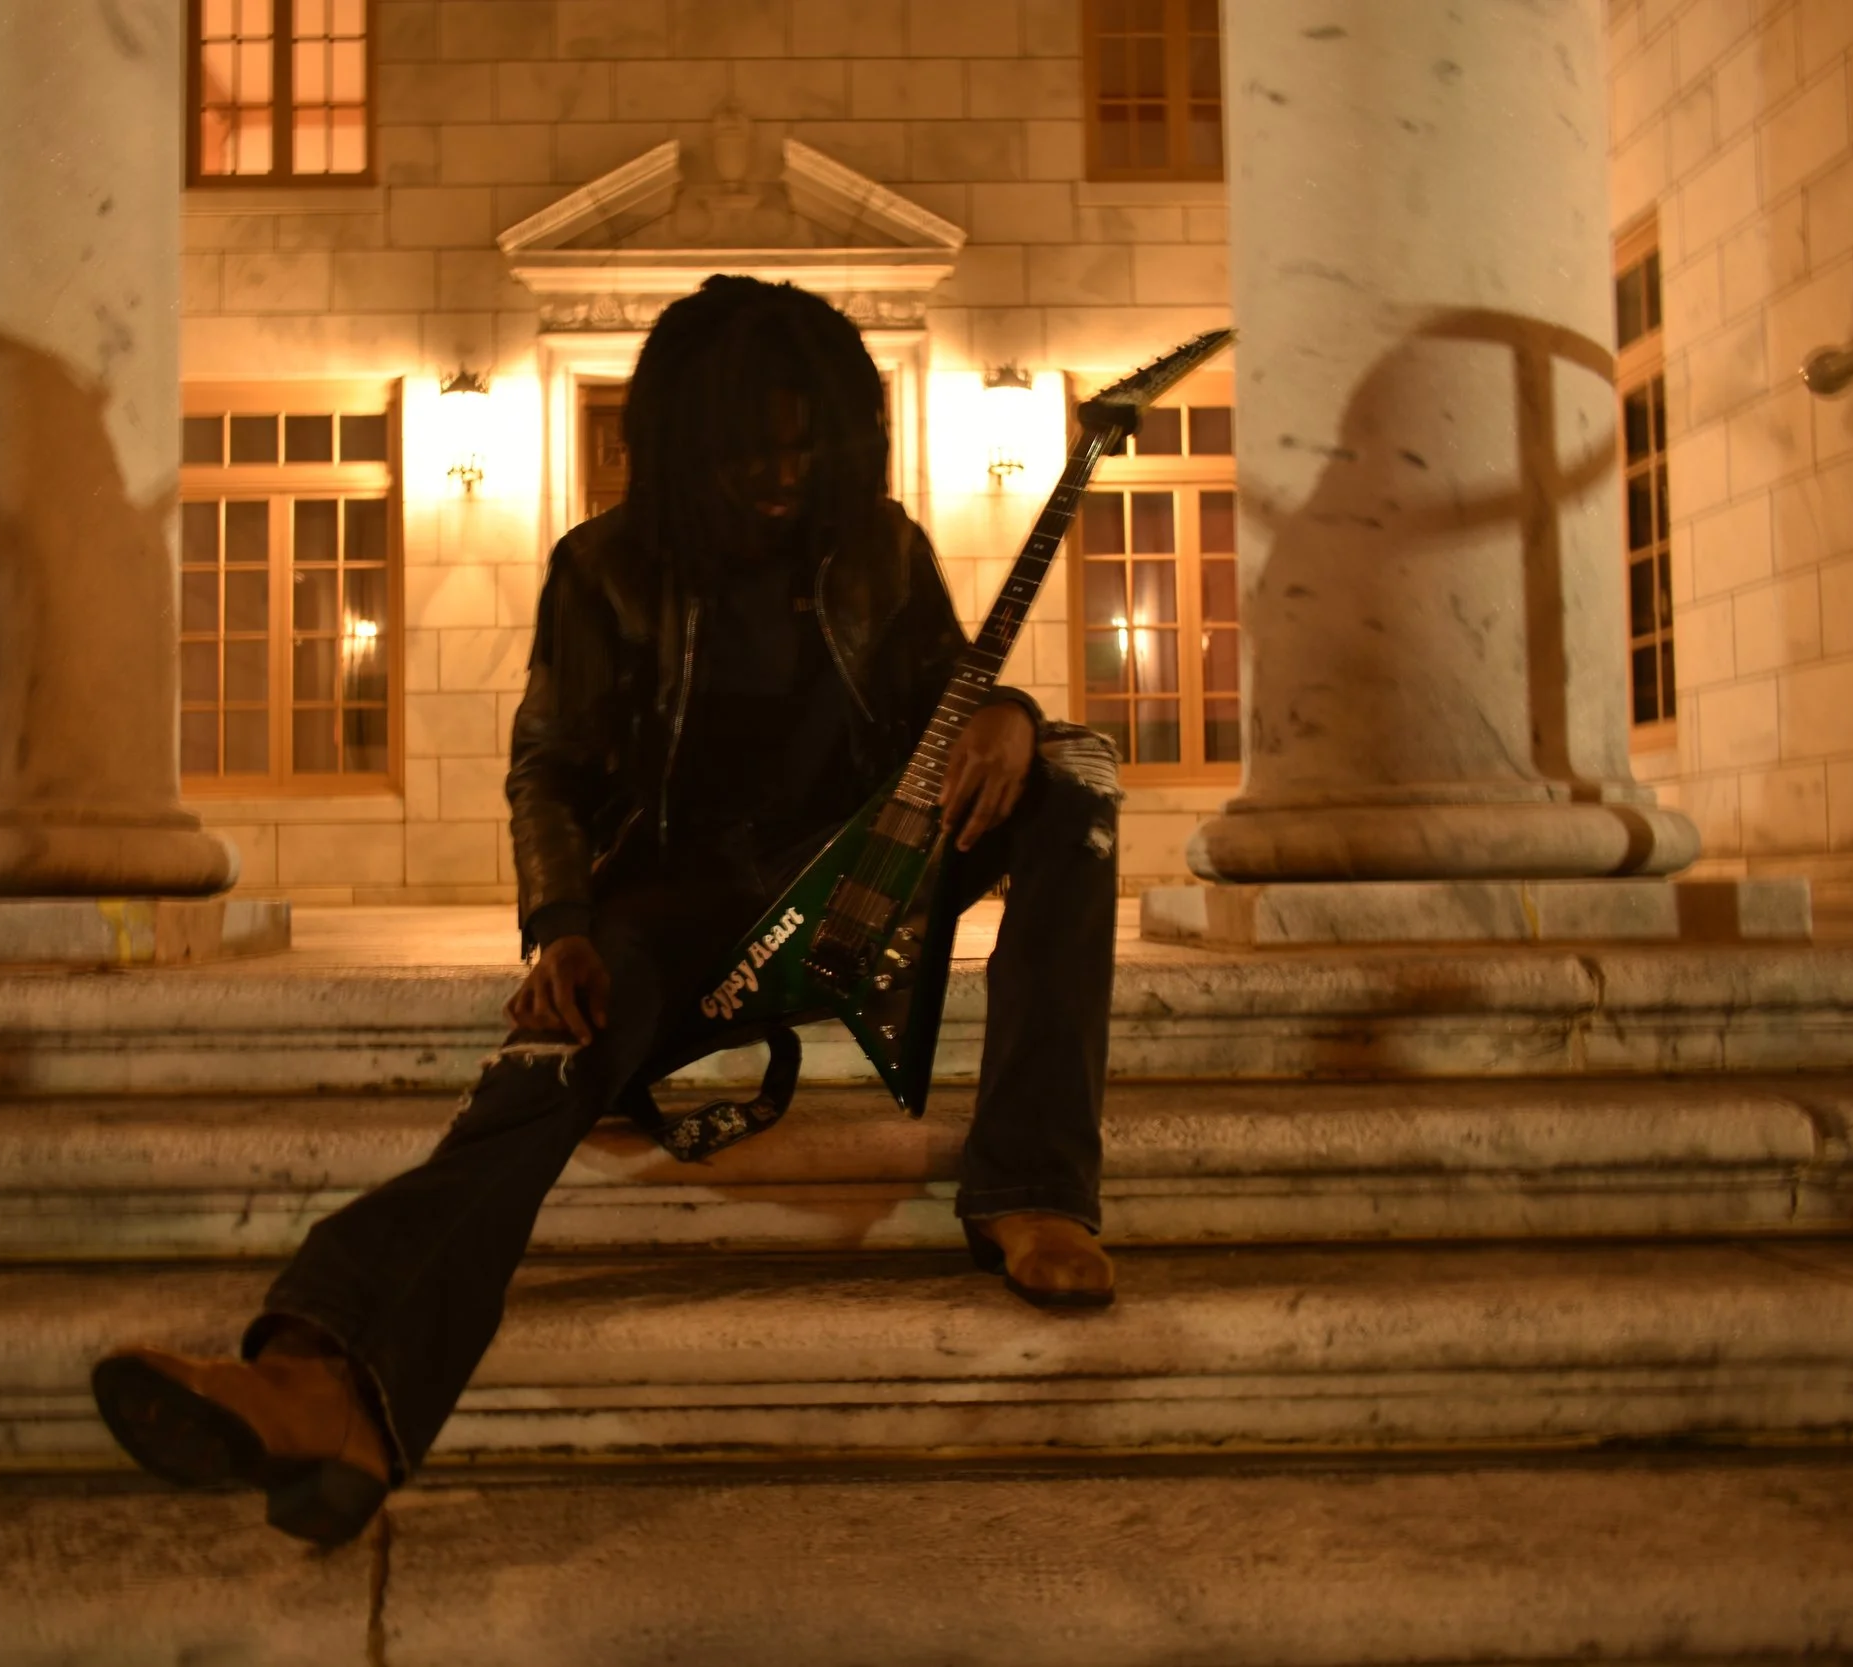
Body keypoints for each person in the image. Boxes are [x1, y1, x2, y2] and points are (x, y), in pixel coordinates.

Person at [91, 276, 1123, 1546]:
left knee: (1075, 774)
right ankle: (326, 1378)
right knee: (550, 1050)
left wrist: (1008, 717)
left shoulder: (884, 549)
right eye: (752, 446)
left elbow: (946, 700)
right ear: (687, 443)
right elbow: (552, 767)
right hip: (674, 905)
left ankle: (1035, 1189)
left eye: (807, 442)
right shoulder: (603, 567)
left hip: (859, 872)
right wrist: (561, 925)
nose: (782, 472)